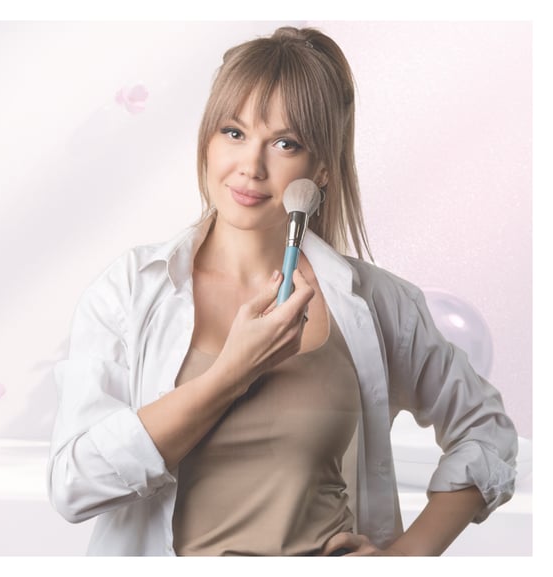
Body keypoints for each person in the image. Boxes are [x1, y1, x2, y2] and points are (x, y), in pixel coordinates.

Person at [45, 26, 518, 556]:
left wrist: (406, 559)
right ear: (206, 138)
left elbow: (488, 432)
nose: (251, 165)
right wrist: (230, 374)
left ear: (321, 168)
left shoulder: (379, 304)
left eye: (285, 143)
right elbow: (74, 484)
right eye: (233, 132)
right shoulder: (131, 291)